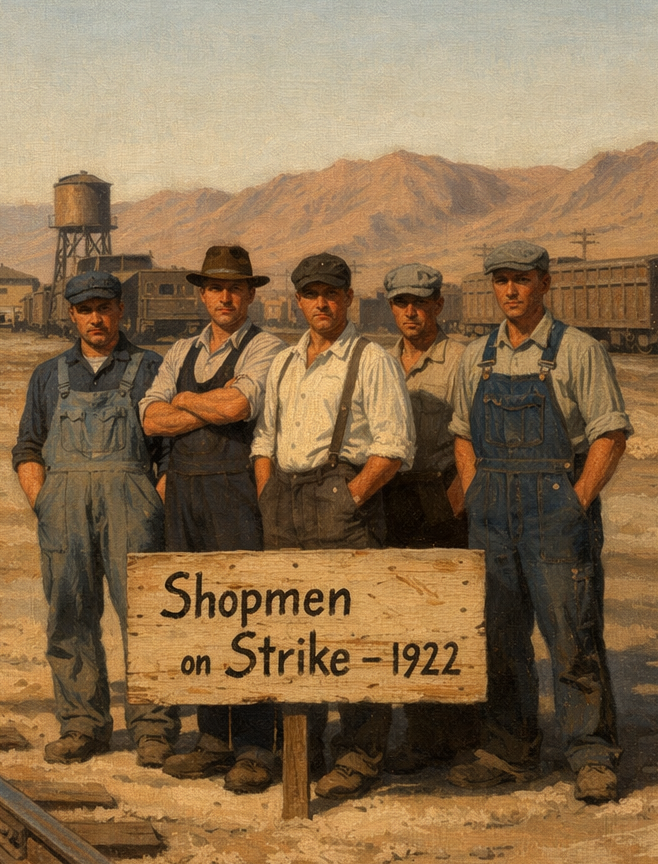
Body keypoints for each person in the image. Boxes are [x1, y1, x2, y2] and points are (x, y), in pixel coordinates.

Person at [446, 241, 629, 804]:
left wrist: (575, 501)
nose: (510, 290)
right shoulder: (477, 356)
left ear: (545, 284)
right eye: (501, 280)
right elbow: (461, 432)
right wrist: (476, 488)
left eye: (521, 279)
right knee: (500, 639)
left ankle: (591, 754)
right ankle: (510, 749)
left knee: (572, 636)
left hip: (554, 508)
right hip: (493, 512)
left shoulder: (579, 351)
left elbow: (609, 434)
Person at [251, 252, 415, 799]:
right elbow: (264, 439)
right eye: (311, 294)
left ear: (348, 298)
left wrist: (349, 499)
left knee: (353, 634)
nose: (321, 304)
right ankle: (302, 750)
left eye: (332, 293)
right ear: (298, 300)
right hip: (285, 505)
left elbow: (392, 448)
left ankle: (360, 754)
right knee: (290, 635)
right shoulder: (282, 362)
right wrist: (267, 490)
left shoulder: (371, 360)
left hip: (341, 507)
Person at [12, 270, 177, 766]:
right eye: (86, 310)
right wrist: (43, 500)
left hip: (133, 504)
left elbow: (169, 452)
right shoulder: (48, 375)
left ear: (121, 310)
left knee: (147, 617)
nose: (96, 318)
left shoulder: (151, 368)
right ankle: (82, 724)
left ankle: (153, 729)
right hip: (63, 508)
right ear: (72, 316)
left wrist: (154, 503)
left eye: (105, 307)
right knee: (70, 615)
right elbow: (28, 446)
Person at [138, 245, 286, 793]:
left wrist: (186, 402)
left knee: (245, 616)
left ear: (250, 295)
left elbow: (239, 408)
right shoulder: (181, 348)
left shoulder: (267, 347)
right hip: (184, 496)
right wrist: (200, 404)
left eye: (236, 288)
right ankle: (213, 741)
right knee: (197, 615)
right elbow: (151, 418)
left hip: (235, 494)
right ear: (202, 294)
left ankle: (254, 748)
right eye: (216, 288)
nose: (225, 297)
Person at [376, 263, 485, 774]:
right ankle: (423, 739)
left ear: (439, 304)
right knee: (405, 624)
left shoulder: (463, 359)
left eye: (421, 302)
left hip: (443, 496)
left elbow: (476, 435)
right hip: (394, 499)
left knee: (451, 622)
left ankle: (462, 739)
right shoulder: (380, 362)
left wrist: (460, 497)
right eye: (402, 303)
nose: (411, 312)